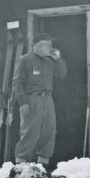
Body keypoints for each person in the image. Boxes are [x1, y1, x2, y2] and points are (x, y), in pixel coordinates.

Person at [12, 33, 67, 167]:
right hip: (31, 99)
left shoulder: (49, 62)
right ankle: (20, 167)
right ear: (39, 46)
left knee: (49, 131)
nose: (51, 48)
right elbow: (17, 83)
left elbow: (62, 74)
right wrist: (23, 102)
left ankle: (43, 167)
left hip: (47, 100)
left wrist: (58, 59)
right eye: (49, 45)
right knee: (29, 132)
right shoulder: (25, 60)